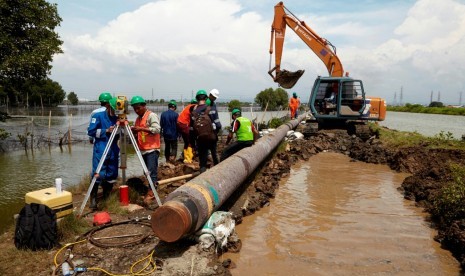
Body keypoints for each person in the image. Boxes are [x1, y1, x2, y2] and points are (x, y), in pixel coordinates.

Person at [87, 96, 119, 210]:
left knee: (112, 173)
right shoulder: (98, 116)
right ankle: (93, 199)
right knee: (98, 173)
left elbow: (121, 135)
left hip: (113, 149)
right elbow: (91, 131)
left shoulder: (118, 118)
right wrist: (106, 131)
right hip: (101, 148)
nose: (115, 112)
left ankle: (106, 197)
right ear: (108, 106)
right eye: (114, 109)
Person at [130, 96, 161, 187]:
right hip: (143, 149)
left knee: (151, 172)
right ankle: (151, 187)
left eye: (138, 108)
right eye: (134, 108)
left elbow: (157, 129)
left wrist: (141, 128)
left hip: (152, 149)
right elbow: (139, 133)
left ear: (144, 106)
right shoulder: (138, 119)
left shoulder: (151, 115)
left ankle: (152, 192)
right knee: (146, 171)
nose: (136, 110)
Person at [191, 89, 221, 173]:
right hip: (211, 137)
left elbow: (192, 129)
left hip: (200, 139)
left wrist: (194, 142)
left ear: (197, 99)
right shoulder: (211, 109)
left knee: (202, 159)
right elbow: (218, 125)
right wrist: (214, 133)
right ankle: (218, 173)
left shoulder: (194, 112)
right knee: (214, 154)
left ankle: (203, 174)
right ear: (206, 97)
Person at [177, 99, 197, 163]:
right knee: (190, 142)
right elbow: (193, 118)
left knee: (186, 142)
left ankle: (185, 158)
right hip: (184, 124)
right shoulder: (194, 106)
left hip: (180, 124)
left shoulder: (187, 107)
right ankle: (188, 159)